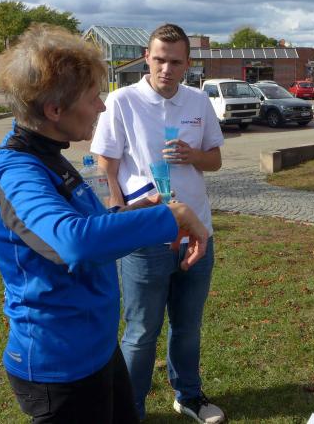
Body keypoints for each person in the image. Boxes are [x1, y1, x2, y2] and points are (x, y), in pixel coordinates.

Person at [0, 24, 208, 424]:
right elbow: (74, 243)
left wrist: (135, 214)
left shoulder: (47, 156)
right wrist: (170, 216)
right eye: (91, 97)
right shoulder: (16, 173)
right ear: (54, 110)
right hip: (58, 366)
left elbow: (87, 226)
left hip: (95, 348)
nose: (101, 107)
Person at [91, 23, 225, 423]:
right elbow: (106, 164)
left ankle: (189, 396)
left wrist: (192, 155)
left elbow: (215, 160)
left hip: (196, 233)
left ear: (187, 64)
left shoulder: (198, 102)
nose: (167, 69)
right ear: (147, 58)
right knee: (141, 331)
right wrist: (119, 214)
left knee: (188, 326)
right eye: (160, 60)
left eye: (175, 62)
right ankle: (129, 410)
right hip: (145, 235)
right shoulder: (122, 101)